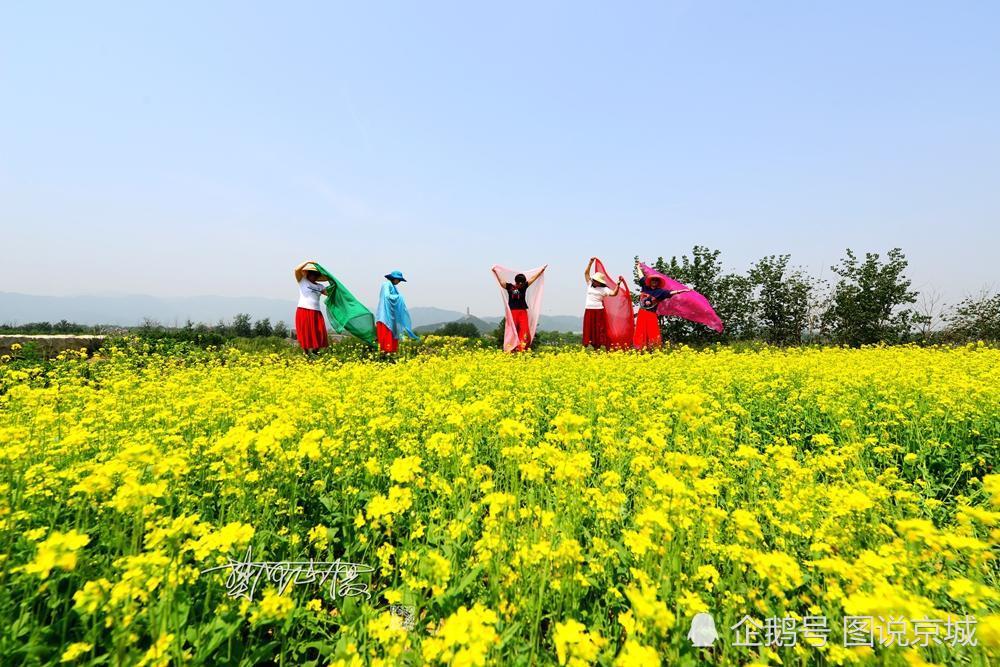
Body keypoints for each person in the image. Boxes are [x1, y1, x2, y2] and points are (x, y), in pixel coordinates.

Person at [633, 263, 692, 350]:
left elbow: (670, 293)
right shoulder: (645, 287)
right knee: (640, 331)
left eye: (656, 281)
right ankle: (640, 348)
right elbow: (641, 277)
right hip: (642, 313)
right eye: (653, 280)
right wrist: (638, 267)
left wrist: (682, 290)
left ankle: (654, 349)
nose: (654, 282)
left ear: (658, 283)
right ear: (650, 281)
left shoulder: (660, 292)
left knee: (652, 331)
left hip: (651, 314)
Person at [491, 265, 546, 351]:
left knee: (525, 331)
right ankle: (511, 349)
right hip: (512, 312)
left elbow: (532, 278)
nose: (521, 284)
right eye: (520, 282)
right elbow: (502, 282)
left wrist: (541, 270)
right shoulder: (509, 287)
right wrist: (496, 272)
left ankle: (521, 349)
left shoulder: (524, 286)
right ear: (516, 281)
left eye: (522, 282)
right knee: (512, 331)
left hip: (523, 311)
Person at [582, 257, 625, 350]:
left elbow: (613, 294)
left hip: (598, 310)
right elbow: (586, 273)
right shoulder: (589, 284)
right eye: (594, 280)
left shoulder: (604, 289)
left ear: (599, 282)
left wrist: (618, 285)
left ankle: (597, 347)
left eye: (596, 281)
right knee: (588, 328)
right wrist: (590, 263)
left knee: (598, 329)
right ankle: (588, 345)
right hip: (588, 309)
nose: (594, 282)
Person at [294, 260, 335, 353]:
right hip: (303, 310)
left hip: (316, 312)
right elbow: (296, 270)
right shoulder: (302, 281)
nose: (314, 276)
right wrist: (308, 261)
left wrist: (333, 281)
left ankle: (315, 352)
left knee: (320, 333)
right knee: (305, 332)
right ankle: (306, 354)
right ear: (308, 273)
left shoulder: (320, 286)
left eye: (316, 274)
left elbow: (330, 294)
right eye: (312, 274)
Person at [375, 270, 418, 355]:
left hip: (391, 316)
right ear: (393, 278)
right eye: (398, 280)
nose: (398, 282)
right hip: (385, 317)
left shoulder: (394, 287)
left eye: (399, 280)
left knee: (392, 337)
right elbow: (387, 297)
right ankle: (385, 356)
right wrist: (399, 297)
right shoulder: (386, 284)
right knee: (386, 338)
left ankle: (390, 355)